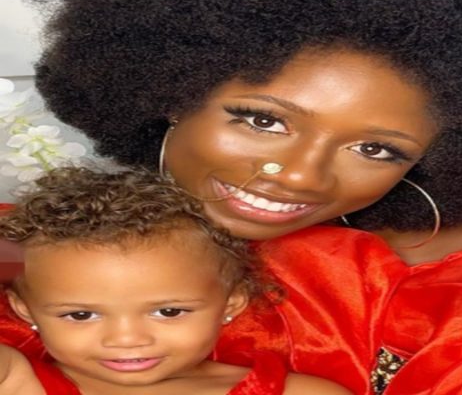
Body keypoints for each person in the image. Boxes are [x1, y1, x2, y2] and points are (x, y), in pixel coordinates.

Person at [1, 0, 462, 394]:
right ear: (172, 90)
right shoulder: (36, 248)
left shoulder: (461, 289)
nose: (300, 177)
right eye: (263, 119)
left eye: (376, 149)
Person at [0, 167, 349, 395]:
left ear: (231, 302)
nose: (127, 339)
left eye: (168, 311)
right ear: (25, 309)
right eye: (80, 315)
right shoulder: (17, 382)